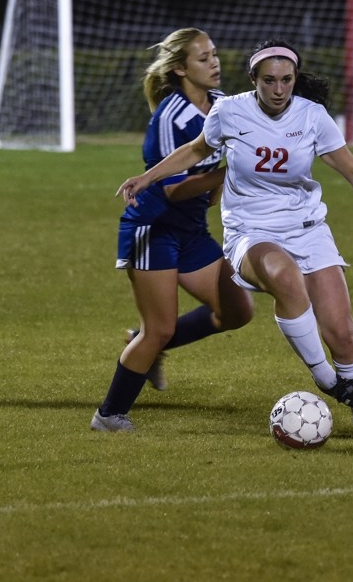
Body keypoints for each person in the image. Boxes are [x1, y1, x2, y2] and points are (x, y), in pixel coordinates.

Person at [113, 39, 353, 438]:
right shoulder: (230, 111)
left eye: (287, 80)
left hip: (308, 230)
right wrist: (148, 176)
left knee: (341, 331)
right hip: (251, 231)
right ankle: (327, 382)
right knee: (284, 277)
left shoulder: (312, 116)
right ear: (253, 80)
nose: (279, 89)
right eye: (270, 81)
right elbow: (195, 151)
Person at [91, 27, 254, 432]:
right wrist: (225, 175)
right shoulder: (170, 116)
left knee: (237, 310)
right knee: (159, 327)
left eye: (214, 54)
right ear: (181, 69)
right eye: (203, 58)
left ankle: (145, 343)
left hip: (192, 231)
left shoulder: (222, 103)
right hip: (154, 228)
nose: (214, 62)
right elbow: (176, 189)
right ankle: (109, 415)